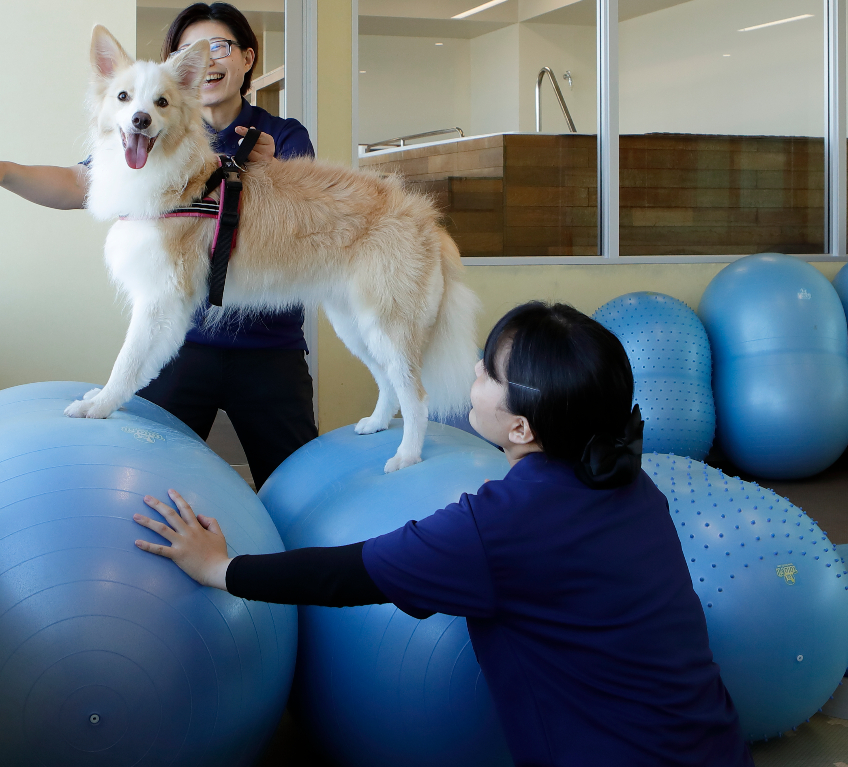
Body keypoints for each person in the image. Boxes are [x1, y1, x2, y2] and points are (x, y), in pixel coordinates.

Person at [132, 302, 753, 767]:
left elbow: (347, 575)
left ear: (521, 429)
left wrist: (222, 568)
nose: (474, 372)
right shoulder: (629, 484)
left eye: (488, 373)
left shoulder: (502, 525)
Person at [0, 2, 318, 486]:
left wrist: (272, 171)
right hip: (182, 342)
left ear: (247, 58)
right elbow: (77, 181)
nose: (207, 61)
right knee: (147, 474)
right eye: (192, 50)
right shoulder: (142, 133)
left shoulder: (283, 135)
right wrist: (5, 173)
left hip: (268, 345)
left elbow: (306, 218)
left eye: (219, 47)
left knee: (295, 480)